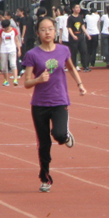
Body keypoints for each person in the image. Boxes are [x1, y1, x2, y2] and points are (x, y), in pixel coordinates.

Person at [23, 17, 86, 192]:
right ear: (38, 33)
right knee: (43, 144)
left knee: (57, 134)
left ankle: (65, 136)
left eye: (50, 28)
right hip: (39, 104)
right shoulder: (32, 54)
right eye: (43, 29)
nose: (47, 32)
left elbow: (71, 68)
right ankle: (45, 177)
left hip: (59, 100)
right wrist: (38, 79)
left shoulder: (63, 50)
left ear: (55, 31)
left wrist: (80, 85)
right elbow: (26, 82)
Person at [0, 19, 21, 86]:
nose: (5, 29)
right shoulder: (1, 31)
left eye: (6, 27)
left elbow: (17, 40)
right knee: (4, 66)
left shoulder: (14, 30)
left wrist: (19, 49)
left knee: (13, 64)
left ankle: (15, 79)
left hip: (12, 49)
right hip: (3, 49)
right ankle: (6, 80)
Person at [67, 4, 90, 72]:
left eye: (79, 7)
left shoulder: (80, 17)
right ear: (73, 9)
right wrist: (73, 36)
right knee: (74, 53)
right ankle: (74, 66)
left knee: (84, 51)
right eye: (76, 7)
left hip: (81, 37)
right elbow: (69, 28)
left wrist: (87, 35)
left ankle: (85, 66)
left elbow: (82, 26)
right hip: (73, 38)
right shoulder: (70, 18)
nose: (78, 9)